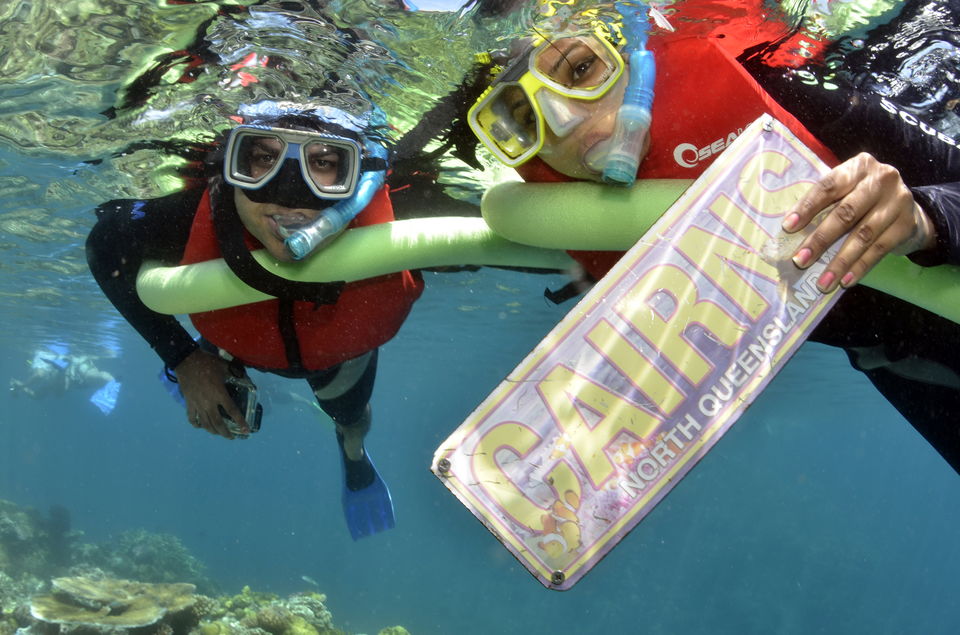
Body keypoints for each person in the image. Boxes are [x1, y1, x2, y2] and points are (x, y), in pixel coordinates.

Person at [455, 3, 960, 471]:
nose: (564, 121)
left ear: (633, 54)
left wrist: (925, 217)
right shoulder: (552, 220)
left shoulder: (785, 89)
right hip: (905, 364)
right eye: (525, 119)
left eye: (582, 70)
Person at [86, 99, 424, 540]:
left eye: (323, 162)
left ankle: (354, 454)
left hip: (339, 358)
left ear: (359, 176)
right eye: (263, 158)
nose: (288, 191)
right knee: (210, 382)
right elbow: (106, 242)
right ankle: (200, 373)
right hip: (228, 345)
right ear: (231, 162)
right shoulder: (194, 215)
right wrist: (183, 358)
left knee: (351, 418)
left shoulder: (405, 220)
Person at [10, 345, 121, 415]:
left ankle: (113, 380)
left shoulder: (41, 361)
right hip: (74, 372)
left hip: (73, 368)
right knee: (92, 376)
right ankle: (112, 380)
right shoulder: (48, 382)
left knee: (91, 376)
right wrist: (19, 386)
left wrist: (21, 386)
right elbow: (35, 394)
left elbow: (39, 377)